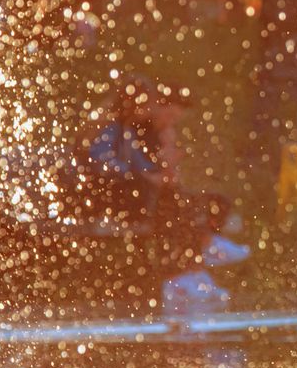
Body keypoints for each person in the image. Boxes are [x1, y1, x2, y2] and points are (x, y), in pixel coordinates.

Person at [77, 73, 249, 271]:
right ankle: (192, 261)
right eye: (147, 104)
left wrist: (162, 167)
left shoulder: (127, 132)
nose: (150, 110)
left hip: (131, 196)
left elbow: (144, 167)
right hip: (108, 199)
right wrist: (146, 176)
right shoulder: (111, 129)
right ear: (131, 103)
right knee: (172, 206)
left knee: (187, 203)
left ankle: (196, 259)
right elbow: (102, 164)